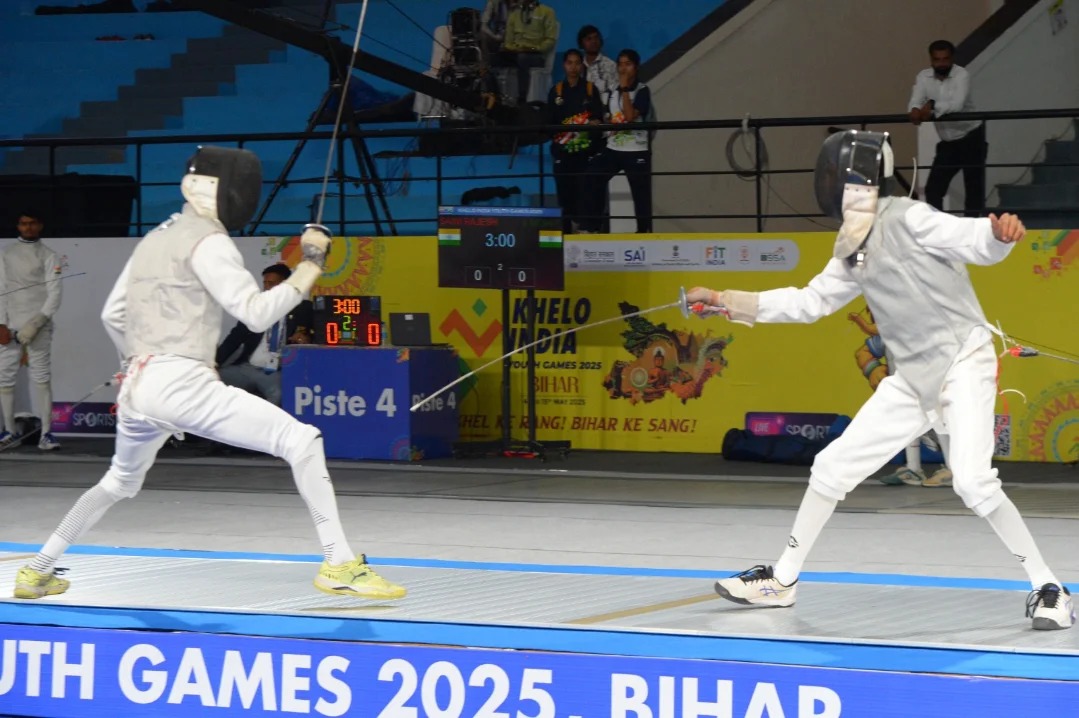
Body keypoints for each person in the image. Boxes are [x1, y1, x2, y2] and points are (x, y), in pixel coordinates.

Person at [688, 130, 1073, 630]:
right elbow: (811, 302)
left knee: (974, 483)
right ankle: (781, 581)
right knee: (830, 467)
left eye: (836, 176)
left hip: (961, 362)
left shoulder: (911, 218)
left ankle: (1050, 587)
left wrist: (997, 237)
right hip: (911, 376)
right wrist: (724, 299)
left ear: (858, 181)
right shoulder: (850, 245)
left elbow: (971, 239)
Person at [13, 146, 406, 602]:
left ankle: (38, 570)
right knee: (303, 441)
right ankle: (340, 563)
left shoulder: (157, 237)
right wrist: (311, 264)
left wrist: (133, 364)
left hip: (140, 385)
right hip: (181, 382)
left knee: (119, 482)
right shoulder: (209, 240)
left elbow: (112, 315)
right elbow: (257, 313)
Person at [0, 211, 63, 452]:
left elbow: (54, 294)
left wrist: (35, 323)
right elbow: (1, 287)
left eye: (32, 223)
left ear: (40, 225)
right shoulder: (6, 254)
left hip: (39, 327)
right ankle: (8, 430)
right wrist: (1, 324)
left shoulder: (49, 255)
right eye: (24, 224)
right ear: (18, 226)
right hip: (10, 325)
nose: (28, 227)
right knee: (5, 378)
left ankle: (46, 433)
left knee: (41, 378)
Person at [215, 262, 313, 407]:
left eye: (272, 283)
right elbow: (233, 339)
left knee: (278, 394)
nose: (267, 288)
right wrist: (213, 364)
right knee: (209, 381)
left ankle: (268, 428)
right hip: (247, 368)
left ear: (285, 286)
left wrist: (307, 338)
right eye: (265, 283)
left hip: (276, 371)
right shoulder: (256, 308)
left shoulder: (302, 309)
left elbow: (315, 333)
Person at [908, 39, 986, 216]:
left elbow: (957, 104)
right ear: (931, 60)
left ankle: (971, 234)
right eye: (937, 59)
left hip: (971, 137)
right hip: (948, 141)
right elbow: (916, 99)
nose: (941, 63)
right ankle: (939, 231)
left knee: (973, 190)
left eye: (945, 59)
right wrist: (914, 110)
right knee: (933, 190)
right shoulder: (923, 76)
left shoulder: (962, 75)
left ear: (952, 59)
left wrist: (932, 105)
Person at [580, 49, 654, 233]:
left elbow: (630, 115)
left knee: (640, 194)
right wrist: (603, 122)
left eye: (627, 64)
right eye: (620, 64)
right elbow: (610, 115)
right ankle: (592, 225)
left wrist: (626, 88)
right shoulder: (613, 90)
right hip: (614, 147)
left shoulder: (642, 90)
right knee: (593, 175)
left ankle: (643, 232)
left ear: (635, 67)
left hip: (636, 149)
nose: (622, 69)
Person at [547, 48, 604, 234]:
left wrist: (592, 124)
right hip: (562, 154)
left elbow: (598, 119)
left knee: (585, 193)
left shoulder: (590, 90)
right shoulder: (556, 92)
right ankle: (566, 232)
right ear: (564, 65)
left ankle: (586, 230)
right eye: (569, 63)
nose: (573, 67)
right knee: (565, 194)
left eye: (577, 63)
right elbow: (549, 123)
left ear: (582, 65)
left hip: (584, 153)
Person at [498, 0, 557, 103]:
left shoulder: (547, 12)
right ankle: (495, 98)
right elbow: (508, 42)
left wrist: (534, 49)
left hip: (537, 54)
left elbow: (550, 40)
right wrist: (515, 49)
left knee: (523, 58)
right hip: (516, 52)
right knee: (493, 59)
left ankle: (522, 97)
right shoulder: (514, 14)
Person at [577, 24, 617, 96]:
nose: (594, 41)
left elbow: (614, 94)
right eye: (589, 39)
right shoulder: (577, 66)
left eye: (596, 38)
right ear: (581, 43)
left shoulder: (611, 65)